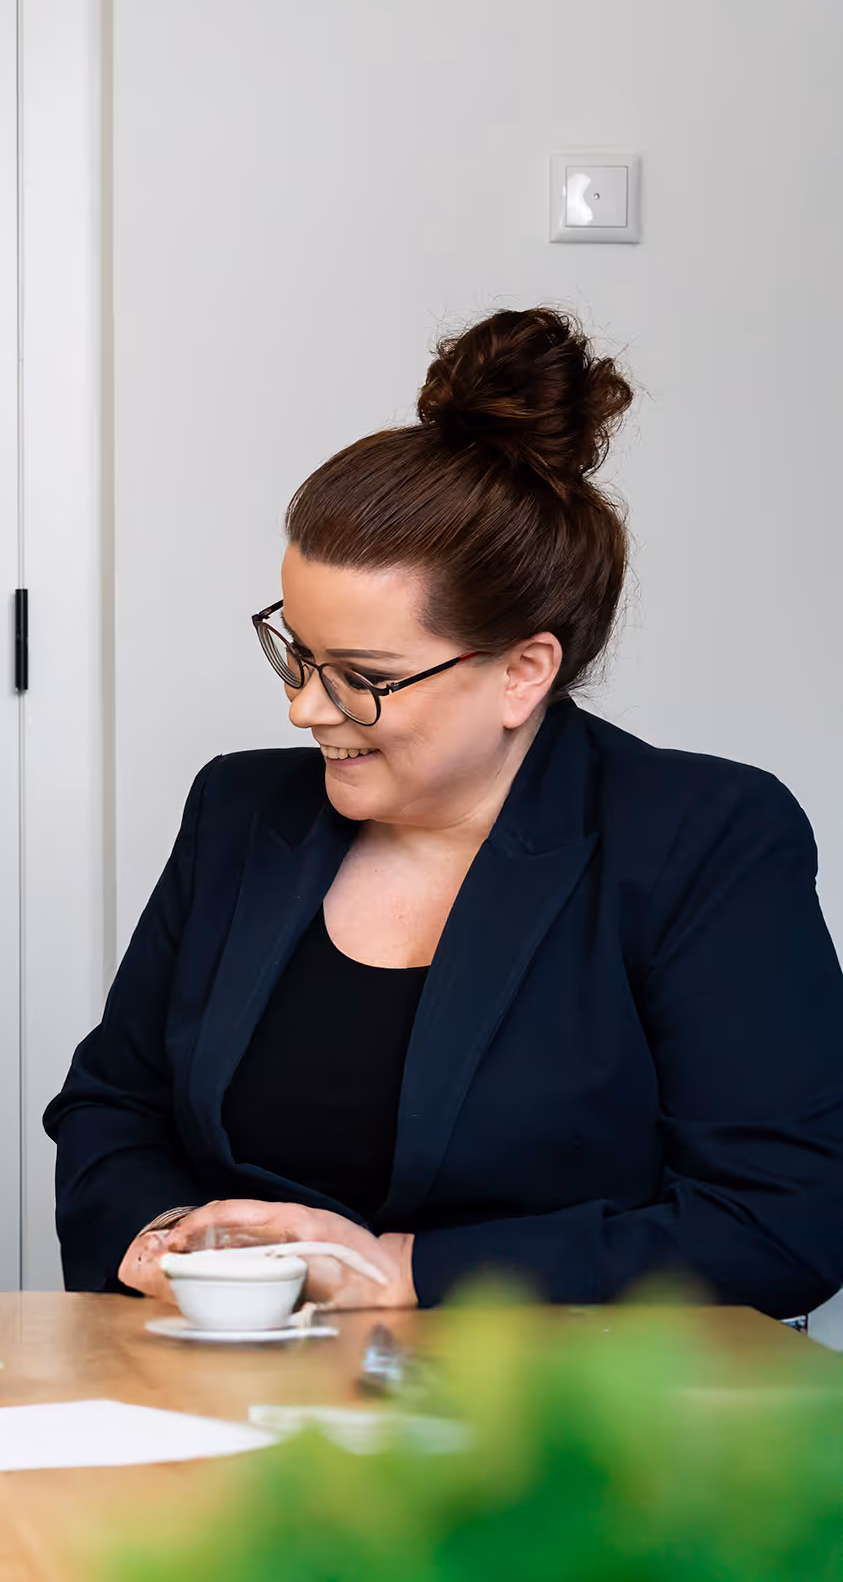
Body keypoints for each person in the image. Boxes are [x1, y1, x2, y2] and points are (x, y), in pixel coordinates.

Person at [46, 306, 843, 1320]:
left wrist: (399, 1270)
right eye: (296, 653)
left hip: (557, 1434)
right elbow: (113, 1106)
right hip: (233, 1399)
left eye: (361, 677)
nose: (303, 707)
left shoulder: (701, 837)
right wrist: (171, 1251)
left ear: (522, 673)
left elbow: (780, 1221)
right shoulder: (239, 810)